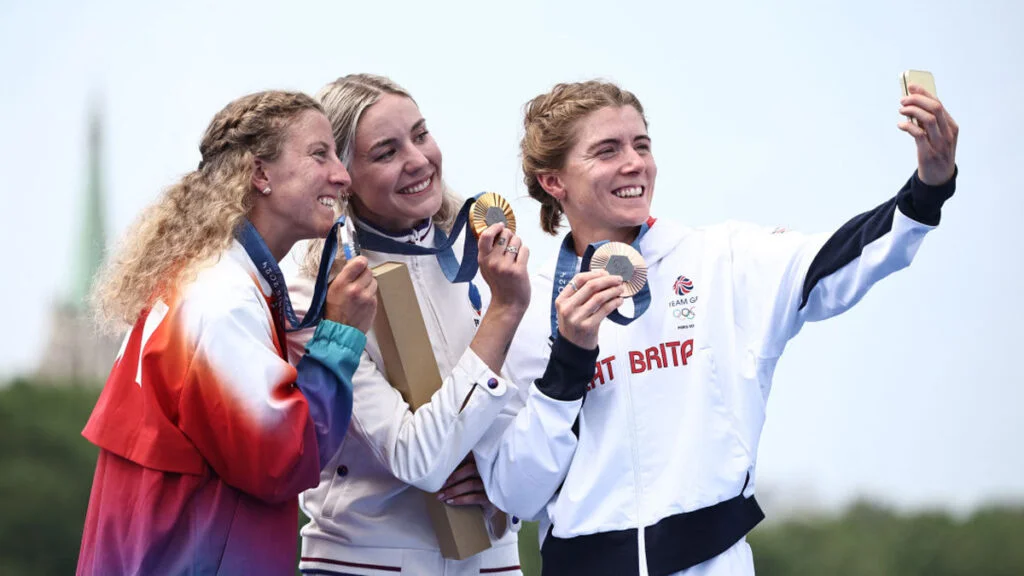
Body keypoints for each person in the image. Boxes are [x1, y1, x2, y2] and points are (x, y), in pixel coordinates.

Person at [472, 79, 959, 576]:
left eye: (642, 145)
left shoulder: (721, 260)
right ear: (555, 182)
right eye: (607, 150)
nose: (635, 162)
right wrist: (570, 361)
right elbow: (515, 491)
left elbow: (838, 257)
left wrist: (926, 191)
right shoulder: (525, 307)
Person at [76, 91, 378, 576]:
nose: (342, 176)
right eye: (319, 154)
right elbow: (281, 460)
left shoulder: (205, 279)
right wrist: (339, 336)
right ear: (260, 174)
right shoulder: (223, 300)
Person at [282, 74, 530, 576]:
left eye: (420, 135)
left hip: (495, 560)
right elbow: (418, 457)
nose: (417, 160)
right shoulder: (314, 287)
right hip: (362, 562)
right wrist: (503, 313)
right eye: (386, 151)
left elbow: (533, 411)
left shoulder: (485, 257)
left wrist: (508, 483)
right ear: (342, 173)